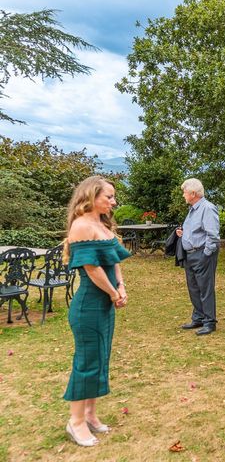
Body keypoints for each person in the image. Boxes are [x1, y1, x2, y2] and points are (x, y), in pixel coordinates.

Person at [62, 176, 130, 447]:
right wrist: (113, 293)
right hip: (89, 306)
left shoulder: (101, 224)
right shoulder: (81, 226)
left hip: (104, 305)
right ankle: (75, 422)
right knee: (87, 362)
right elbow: (92, 269)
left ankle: (90, 414)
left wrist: (121, 286)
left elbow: (113, 261)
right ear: (91, 196)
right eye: (109, 197)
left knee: (100, 359)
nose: (113, 202)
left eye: (113, 197)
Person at [177, 178, 220, 336]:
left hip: (202, 253)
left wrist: (206, 254)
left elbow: (213, 235)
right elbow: (197, 230)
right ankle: (199, 317)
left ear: (193, 193)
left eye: (185, 192)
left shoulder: (207, 208)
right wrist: (183, 234)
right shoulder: (193, 209)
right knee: (194, 287)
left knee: (205, 288)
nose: (183, 195)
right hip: (190, 254)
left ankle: (209, 322)